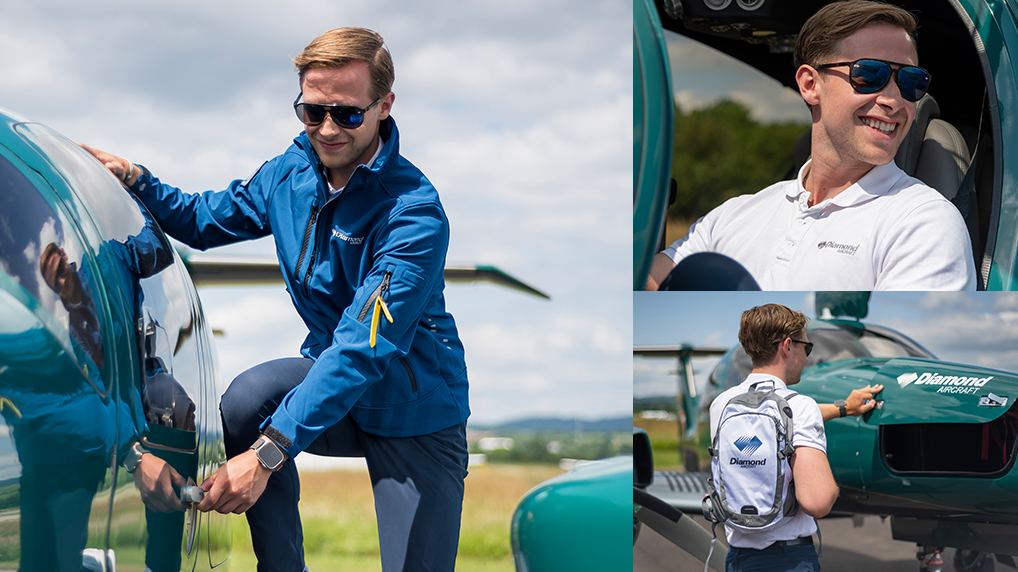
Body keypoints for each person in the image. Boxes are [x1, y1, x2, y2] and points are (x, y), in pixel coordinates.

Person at [82, 27, 469, 572]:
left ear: (384, 106)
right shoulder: (290, 174)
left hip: (414, 411)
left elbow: (361, 349)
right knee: (249, 400)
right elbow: (202, 219)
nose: (327, 129)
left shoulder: (414, 215)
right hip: (333, 391)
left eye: (347, 114)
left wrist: (266, 455)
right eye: (313, 112)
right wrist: (136, 179)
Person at [647, 0, 975, 291]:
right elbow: (645, 283)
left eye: (910, 81)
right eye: (869, 75)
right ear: (810, 84)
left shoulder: (924, 222)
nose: (893, 100)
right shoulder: (735, 215)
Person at [710, 304, 874, 571]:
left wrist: (843, 408)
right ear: (787, 346)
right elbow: (817, 502)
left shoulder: (721, 405)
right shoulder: (801, 406)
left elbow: (773, 416)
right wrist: (833, 488)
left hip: (738, 559)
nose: (807, 357)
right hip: (788, 560)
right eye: (806, 347)